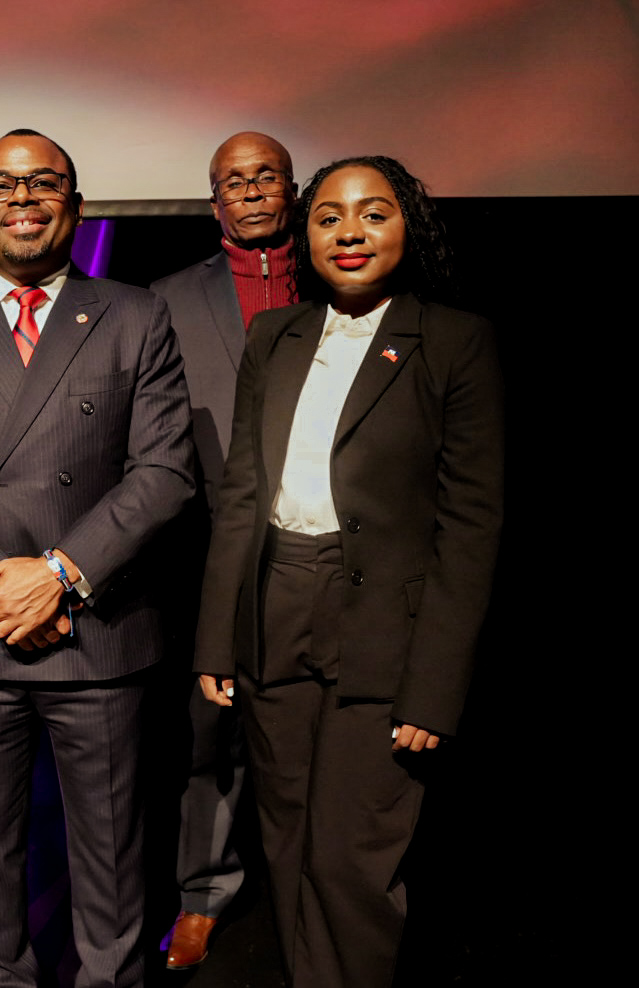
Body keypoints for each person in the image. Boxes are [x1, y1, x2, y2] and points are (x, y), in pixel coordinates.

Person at [0, 129, 197, 988]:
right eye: (0, 185)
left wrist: (56, 572)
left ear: (75, 204)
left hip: (96, 636)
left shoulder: (133, 313)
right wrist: (0, 583)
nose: (22, 198)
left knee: (115, 867)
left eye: (42, 182)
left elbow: (165, 472)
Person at [194, 155, 502, 988]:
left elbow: (470, 528)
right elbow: (242, 497)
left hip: (384, 632)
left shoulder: (453, 339)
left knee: (349, 860)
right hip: (275, 608)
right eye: (328, 217)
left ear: (409, 227)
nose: (349, 233)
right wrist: (218, 639)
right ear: (305, 233)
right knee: (287, 844)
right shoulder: (275, 336)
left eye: (372, 214)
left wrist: (433, 688)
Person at [148, 130, 298, 969]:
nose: (248, 191)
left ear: (290, 189)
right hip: (208, 552)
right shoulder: (166, 298)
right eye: (231, 182)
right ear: (214, 203)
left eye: (263, 176)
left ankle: (306, 883)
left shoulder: (336, 283)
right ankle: (202, 892)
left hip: (324, 551)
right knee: (208, 735)